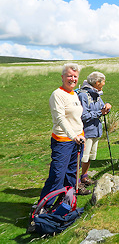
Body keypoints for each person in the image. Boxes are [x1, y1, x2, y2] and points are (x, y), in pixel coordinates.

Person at [39, 63, 88, 203]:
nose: (72, 79)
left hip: (78, 141)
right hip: (63, 141)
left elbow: (76, 118)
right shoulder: (57, 95)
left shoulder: (74, 94)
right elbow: (60, 118)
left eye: (75, 76)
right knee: (57, 176)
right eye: (69, 76)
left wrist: (79, 135)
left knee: (71, 175)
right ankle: (43, 208)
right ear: (62, 77)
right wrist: (73, 136)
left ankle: (65, 204)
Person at [77, 71, 112, 188]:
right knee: (82, 157)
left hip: (95, 131)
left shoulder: (96, 94)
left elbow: (102, 108)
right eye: (103, 82)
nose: (104, 84)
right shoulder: (83, 95)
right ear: (97, 82)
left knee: (90, 156)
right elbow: (83, 116)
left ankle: (84, 177)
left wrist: (107, 107)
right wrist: (100, 113)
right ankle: (76, 182)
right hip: (86, 132)